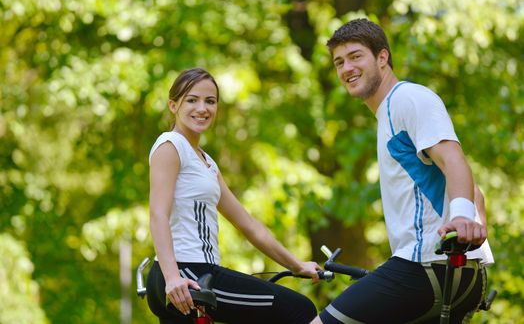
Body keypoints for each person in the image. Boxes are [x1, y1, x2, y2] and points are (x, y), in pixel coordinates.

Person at [311, 19, 494, 324]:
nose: (346, 68)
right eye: (339, 62)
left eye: (356, 56)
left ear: (382, 58)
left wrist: (461, 217)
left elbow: (453, 159)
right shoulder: (388, 115)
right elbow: (476, 192)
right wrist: (473, 233)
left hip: (424, 267)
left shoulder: (406, 99)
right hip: (460, 274)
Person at [146, 67, 320, 324]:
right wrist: (172, 277)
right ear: (173, 105)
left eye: (210, 101)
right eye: (192, 100)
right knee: (299, 310)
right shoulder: (171, 146)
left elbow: (248, 225)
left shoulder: (206, 163)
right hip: (187, 273)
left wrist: (297, 265)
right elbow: (158, 213)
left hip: (189, 275)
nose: (202, 108)